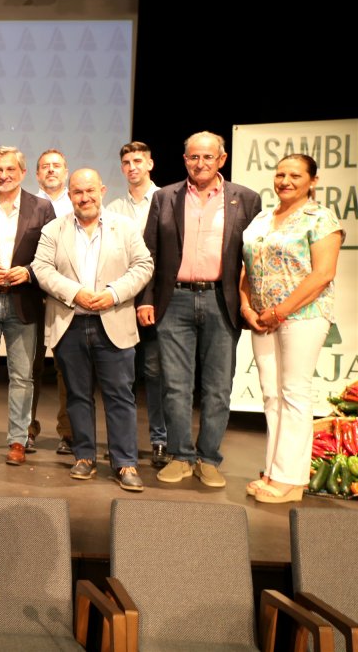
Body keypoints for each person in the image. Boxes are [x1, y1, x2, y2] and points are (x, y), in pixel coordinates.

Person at [141, 131, 262, 488]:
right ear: (185, 160)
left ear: (221, 160)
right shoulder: (165, 197)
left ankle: (209, 458)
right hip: (173, 299)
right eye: (194, 157)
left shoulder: (246, 199)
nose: (200, 163)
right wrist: (146, 298)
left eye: (208, 157)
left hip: (220, 301)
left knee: (218, 387)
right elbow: (150, 254)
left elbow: (251, 259)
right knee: (175, 386)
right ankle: (181, 456)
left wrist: (248, 303)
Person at [33, 168, 154, 491]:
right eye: (77, 192)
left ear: (102, 190)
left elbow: (144, 265)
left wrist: (113, 293)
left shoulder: (124, 227)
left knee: (120, 396)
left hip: (113, 320)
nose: (84, 198)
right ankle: (84, 456)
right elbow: (41, 268)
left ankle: (125, 462)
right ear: (69, 195)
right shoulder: (53, 229)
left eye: (90, 191)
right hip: (69, 322)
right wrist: (75, 293)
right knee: (77, 395)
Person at [241, 154, 343, 504]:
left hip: (303, 315)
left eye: (295, 175)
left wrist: (280, 312)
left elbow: (323, 274)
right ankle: (273, 470)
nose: (285, 181)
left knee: (294, 393)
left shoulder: (322, 218)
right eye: (280, 174)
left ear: (312, 181)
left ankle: (291, 479)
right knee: (271, 393)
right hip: (261, 317)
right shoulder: (262, 218)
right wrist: (246, 306)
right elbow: (246, 266)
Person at [0, 147, 55, 466]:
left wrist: (29, 271)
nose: (3, 175)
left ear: (23, 172)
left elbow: (51, 254)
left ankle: (17, 440)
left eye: (9, 170)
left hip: (24, 301)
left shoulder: (42, 208)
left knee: (22, 376)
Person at [105, 141, 169, 467]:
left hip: (156, 302)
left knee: (156, 372)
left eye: (138, 161)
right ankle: (121, 441)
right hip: (120, 301)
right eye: (127, 162)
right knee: (121, 376)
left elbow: (164, 258)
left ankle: (159, 440)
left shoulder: (167, 201)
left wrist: (149, 299)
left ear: (150, 164)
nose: (132, 167)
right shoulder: (113, 209)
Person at [31, 148, 74, 453]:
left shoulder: (80, 202)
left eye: (56, 166)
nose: (51, 170)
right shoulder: (27, 204)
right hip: (32, 294)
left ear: (66, 171)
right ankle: (26, 430)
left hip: (68, 296)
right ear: (37, 174)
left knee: (67, 368)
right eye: (45, 167)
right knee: (29, 366)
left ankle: (68, 432)